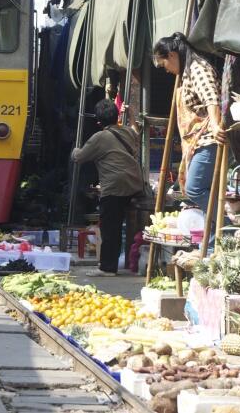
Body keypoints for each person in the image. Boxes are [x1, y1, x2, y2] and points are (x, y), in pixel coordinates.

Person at [152, 32, 225, 215]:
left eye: (164, 64)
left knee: (195, 188)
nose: (166, 70)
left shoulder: (197, 68)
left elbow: (211, 98)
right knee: (200, 190)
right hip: (198, 142)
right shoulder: (186, 73)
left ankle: (227, 229)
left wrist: (216, 125)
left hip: (208, 139)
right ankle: (211, 240)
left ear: (171, 55)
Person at [71, 98, 144, 276]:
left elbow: (80, 157)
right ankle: (125, 262)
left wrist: (74, 150)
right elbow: (136, 135)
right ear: (116, 116)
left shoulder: (100, 137)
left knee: (111, 227)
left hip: (115, 186)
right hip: (135, 182)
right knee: (121, 225)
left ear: (98, 121)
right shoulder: (127, 132)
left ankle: (108, 268)